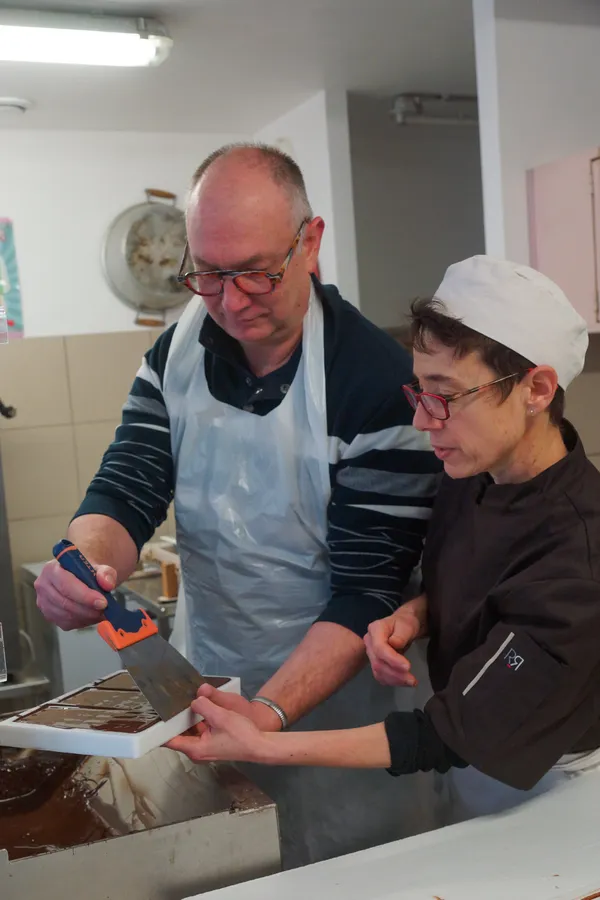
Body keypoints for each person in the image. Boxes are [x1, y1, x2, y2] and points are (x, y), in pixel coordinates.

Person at [34, 143, 442, 868]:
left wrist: (269, 715)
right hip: (212, 691)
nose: (231, 300)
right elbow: (126, 491)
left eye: (256, 271)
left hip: (342, 720)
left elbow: (365, 592)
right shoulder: (173, 357)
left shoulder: (377, 384)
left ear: (309, 243)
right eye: (208, 275)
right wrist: (83, 563)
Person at [167, 254, 600, 824]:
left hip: (560, 794)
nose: (423, 421)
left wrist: (262, 742)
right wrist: (419, 615)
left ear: (537, 389)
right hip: (480, 774)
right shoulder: (476, 471)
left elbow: (448, 736)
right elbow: (490, 575)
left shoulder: (581, 554)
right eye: (419, 391)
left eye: (445, 395)